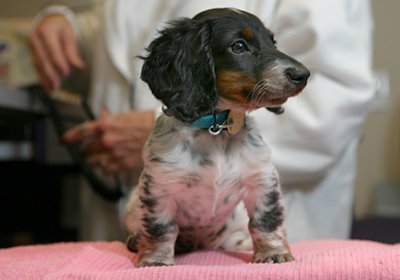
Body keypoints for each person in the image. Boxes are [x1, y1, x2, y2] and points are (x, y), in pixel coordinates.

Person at [29, 0, 375, 243]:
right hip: (123, 228)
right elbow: (124, 25)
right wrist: (69, 25)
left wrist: (179, 136)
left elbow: (330, 107)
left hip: (243, 237)